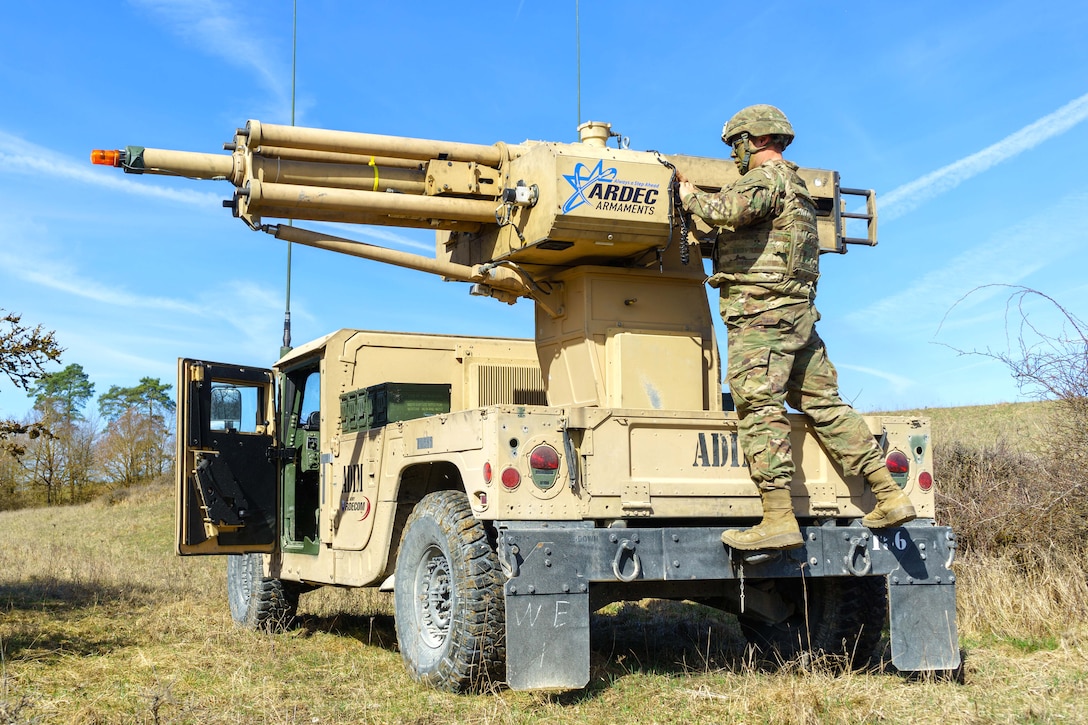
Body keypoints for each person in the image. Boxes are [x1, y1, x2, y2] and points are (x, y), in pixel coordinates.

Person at [676, 104, 916, 550]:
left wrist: (689, 194)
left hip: (761, 318)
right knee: (826, 405)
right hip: (798, 317)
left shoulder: (766, 180)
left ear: (755, 140)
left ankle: (779, 517)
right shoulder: (800, 188)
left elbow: (724, 212)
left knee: (759, 406)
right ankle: (888, 493)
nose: (733, 154)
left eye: (736, 143)